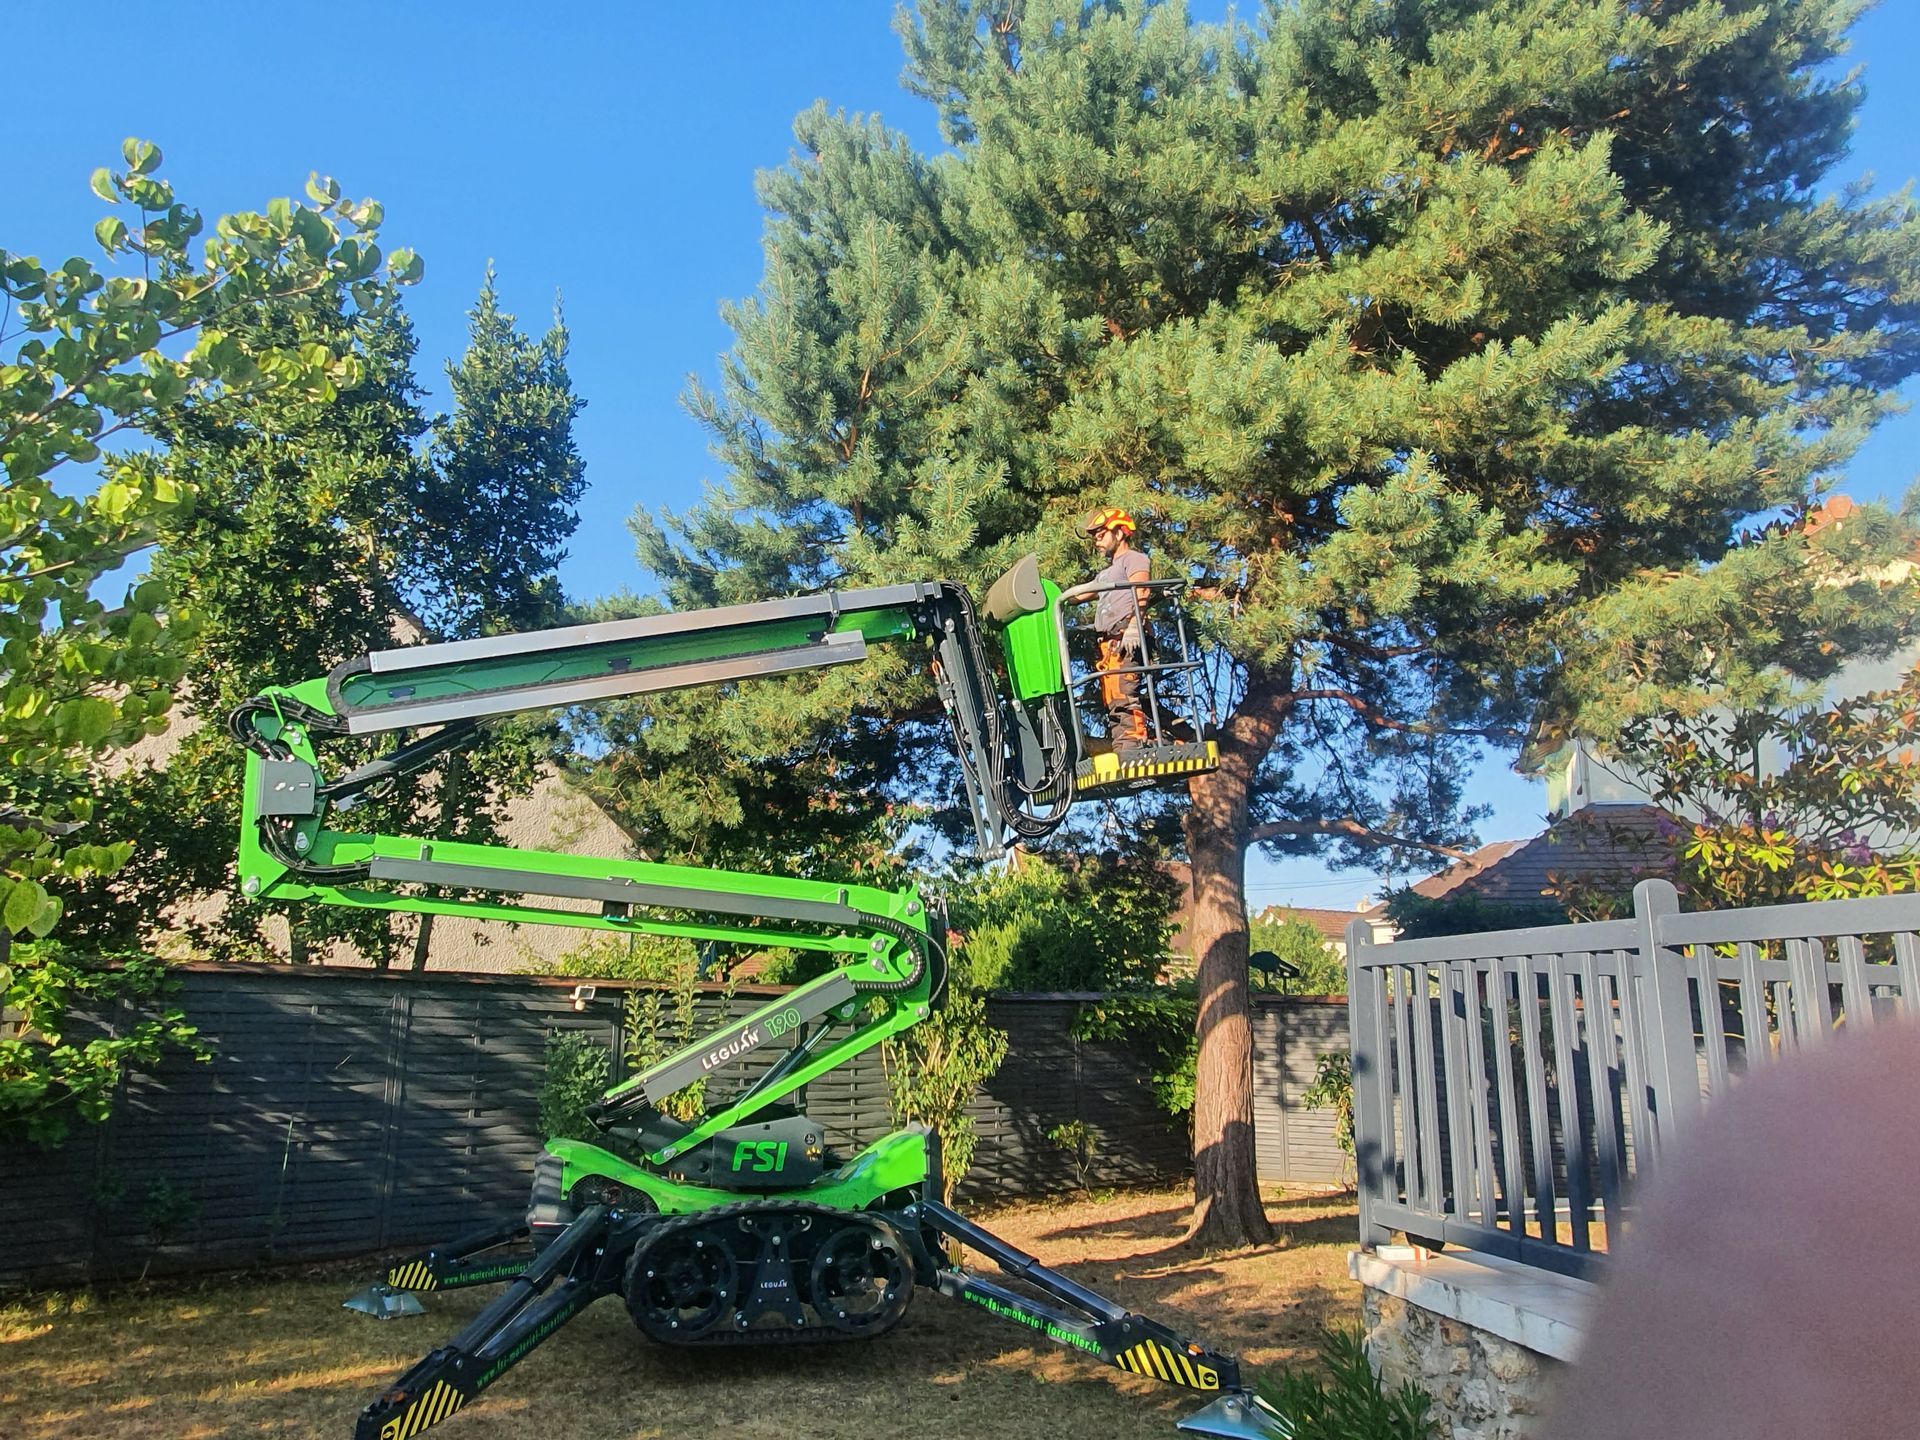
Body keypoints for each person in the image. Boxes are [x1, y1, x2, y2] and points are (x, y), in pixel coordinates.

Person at [1082, 506, 1153, 756]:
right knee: (1112, 698)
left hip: (1125, 637)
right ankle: (1122, 747)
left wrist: (1134, 626)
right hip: (1109, 644)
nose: (1097, 541)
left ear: (1119, 533)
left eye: (1101, 535)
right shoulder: (1105, 574)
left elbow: (1141, 589)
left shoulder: (1134, 559)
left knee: (1125, 692)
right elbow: (1079, 594)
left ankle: (1133, 747)